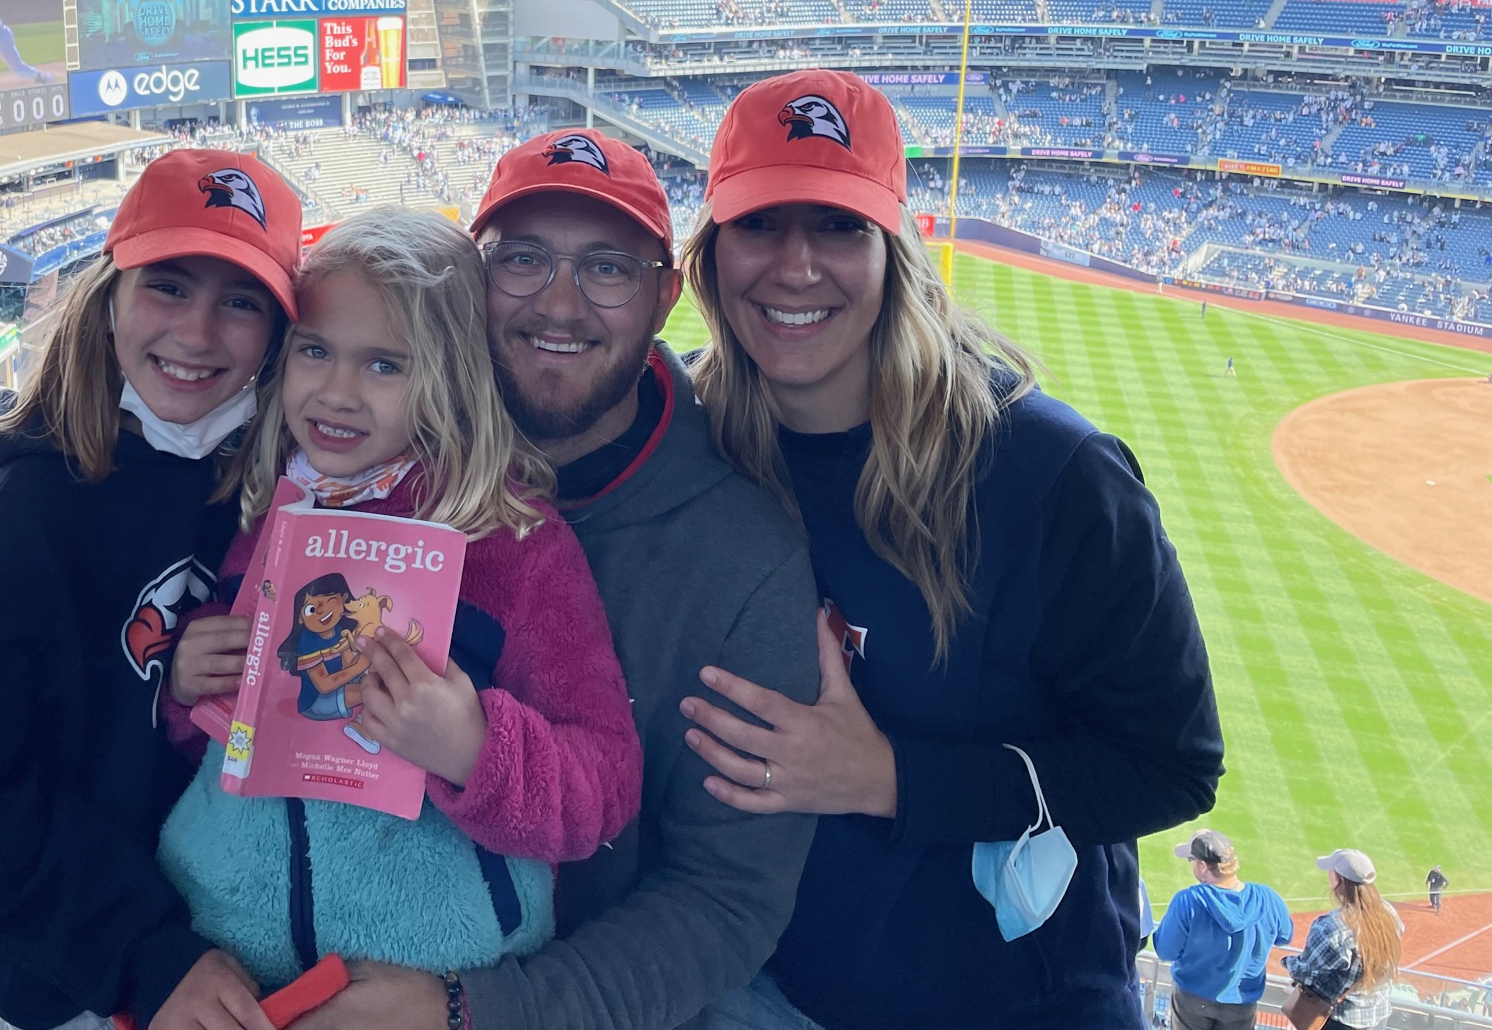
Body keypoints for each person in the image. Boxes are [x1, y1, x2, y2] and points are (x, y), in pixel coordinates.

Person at [676, 70, 1223, 1030]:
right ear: (711, 251)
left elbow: (1169, 765)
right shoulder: (684, 437)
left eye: (839, 226)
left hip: (1018, 1006)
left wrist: (888, 778)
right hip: (755, 987)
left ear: (897, 250)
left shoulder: (1052, 473)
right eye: (760, 224)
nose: (795, 265)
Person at [300, 127, 820, 1030]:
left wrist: (473, 1012)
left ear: (665, 295)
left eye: (608, 268)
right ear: (475, 277)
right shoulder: (357, 453)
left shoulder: (743, 556)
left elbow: (724, 901)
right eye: (524, 259)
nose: (561, 304)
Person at [160, 209, 640, 1010]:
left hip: (422, 981)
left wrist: (474, 750)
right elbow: (216, 745)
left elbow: (607, 784)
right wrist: (188, 688)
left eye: (385, 365)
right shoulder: (263, 506)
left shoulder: (515, 546)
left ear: (452, 376)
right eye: (315, 352)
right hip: (223, 964)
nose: (337, 393)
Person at [0, 150, 300, 1030]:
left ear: (279, 337)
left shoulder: (278, 496)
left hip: (243, 963)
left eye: (241, 302)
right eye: (168, 285)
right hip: (80, 990)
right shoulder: (15, 520)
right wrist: (147, 958)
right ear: (110, 297)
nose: (198, 334)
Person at [1153, 829, 1292, 1029]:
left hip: (1192, 999)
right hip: (1242, 1002)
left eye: (1191, 860)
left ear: (1202, 866)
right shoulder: (1267, 898)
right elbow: (1285, 936)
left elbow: (1165, 950)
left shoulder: (1188, 901)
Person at [1284, 849, 1402, 1030]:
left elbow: (1306, 971)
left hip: (1337, 1019)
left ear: (1340, 880)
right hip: (1373, 1017)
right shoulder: (1388, 913)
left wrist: (1287, 962)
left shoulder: (1331, 927)